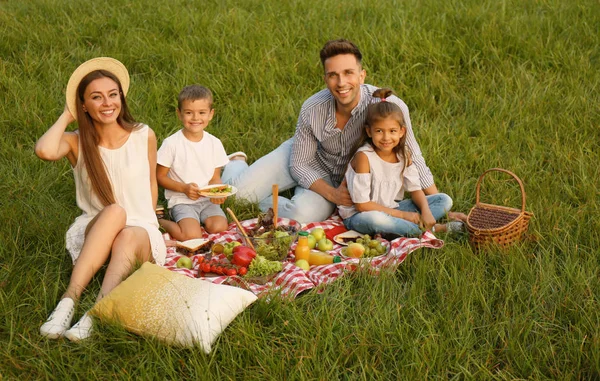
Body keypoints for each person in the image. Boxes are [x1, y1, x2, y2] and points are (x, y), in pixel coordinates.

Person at [223, 39, 462, 224]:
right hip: (307, 159)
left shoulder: (388, 107)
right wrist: (333, 195)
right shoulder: (312, 108)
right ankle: (235, 162)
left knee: (302, 215)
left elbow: (412, 157)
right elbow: (299, 164)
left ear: (362, 75)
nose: (341, 83)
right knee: (238, 197)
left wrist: (435, 207)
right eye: (333, 75)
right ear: (325, 78)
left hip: (345, 178)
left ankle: (271, 197)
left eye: (348, 73)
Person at [35, 57, 167, 341]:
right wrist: (67, 115)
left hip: (140, 234)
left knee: (129, 230)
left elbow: (151, 183)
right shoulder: (76, 141)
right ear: (83, 105)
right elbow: (44, 151)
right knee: (115, 212)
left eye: (113, 94)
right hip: (97, 228)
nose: (107, 103)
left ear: (121, 97)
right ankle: (67, 302)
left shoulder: (144, 134)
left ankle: (97, 311)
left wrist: (151, 220)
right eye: (96, 97)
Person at [339, 88, 464, 236]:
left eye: (392, 131)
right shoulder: (364, 157)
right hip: (360, 216)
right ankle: (435, 229)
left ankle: (395, 229)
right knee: (377, 219)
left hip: (393, 209)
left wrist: (425, 211)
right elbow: (362, 205)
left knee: (444, 200)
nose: (386, 137)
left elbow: (415, 190)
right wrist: (404, 216)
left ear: (402, 131)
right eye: (379, 131)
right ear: (369, 131)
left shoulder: (403, 155)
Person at [156, 85, 229, 240]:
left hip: (207, 200)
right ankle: (159, 220)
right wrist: (183, 188)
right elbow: (160, 176)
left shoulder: (214, 143)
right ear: (179, 114)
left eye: (202, 113)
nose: (196, 118)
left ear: (211, 114)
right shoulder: (172, 144)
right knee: (191, 236)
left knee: (219, 226)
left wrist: (218, 191)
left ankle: (197, 221)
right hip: (182, 200)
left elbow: (215, 177)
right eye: (189, 113)